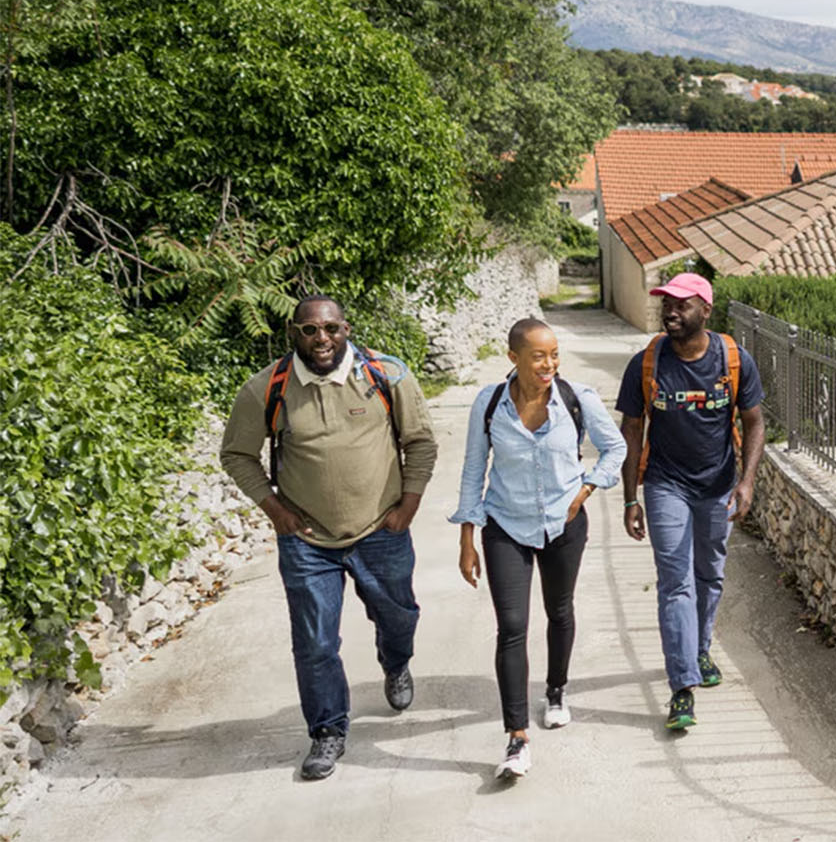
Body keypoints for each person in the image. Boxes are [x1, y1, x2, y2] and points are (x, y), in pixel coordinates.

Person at [220, 295, 437, 780]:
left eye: (332, 330)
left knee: (400, 617)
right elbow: (236, 454)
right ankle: (327, 732)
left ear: (347, 329)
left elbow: (420, 441)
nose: (322, 340)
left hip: (381, 529)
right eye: (310, 330)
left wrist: (409, 504)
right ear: (293, 333)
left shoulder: (387, 375)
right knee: (315, 643)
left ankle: (395, 661)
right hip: (308, 541)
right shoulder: (267, 388)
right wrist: (275, 510)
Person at [452, 318, 626, 779]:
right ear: (514, 358)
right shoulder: (489, 404)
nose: (549, 364)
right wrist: (467, 537)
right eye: (538, 356)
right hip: (504, 524)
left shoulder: (577, 398)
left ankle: (555, 691)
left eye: (554, 355)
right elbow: (473, 470)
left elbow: (616, 449)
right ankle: (516, 738)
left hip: (563, 524)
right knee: (511, 625)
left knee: (559, 610)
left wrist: (584, 491)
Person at [616, 273, 763, 731]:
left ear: (706, 310)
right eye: (666, 303)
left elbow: (754, 422)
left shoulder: (734, 360)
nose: (670, 311)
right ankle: (682, 687)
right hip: (666, 484)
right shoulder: (646, 363)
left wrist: (747, 481)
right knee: (675, 580)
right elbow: (632, 431)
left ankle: (698, 649)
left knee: (709, 573)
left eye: (681, 304)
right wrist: (630, 498)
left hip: (718, 485)